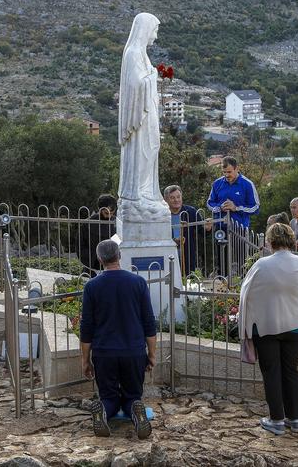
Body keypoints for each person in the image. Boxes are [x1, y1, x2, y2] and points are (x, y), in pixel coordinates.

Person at [238, 223, 298, 435]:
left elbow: (246, 295)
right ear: (292, 239)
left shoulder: (261, 265)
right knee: (291, 371)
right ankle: (295, 419)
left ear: (269, 241)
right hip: (295, 327)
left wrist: (245, 327)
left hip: (266, 327)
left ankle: (276, 419)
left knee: (271, 372)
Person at [80, 240, 156, 439]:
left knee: (109, 397)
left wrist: (85, 360)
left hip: (104, 352)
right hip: (133, 351)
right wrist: (152, 354)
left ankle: (103, 411)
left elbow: (87, 327)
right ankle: (136, 412)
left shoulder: (92, 286)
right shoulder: (138, 283)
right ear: (119, 255)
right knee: (132, 396)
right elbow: (149, 322)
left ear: (99, 259)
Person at [117, 12, 169, 222]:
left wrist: (152, 74)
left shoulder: (141, 54)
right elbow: (135, 85)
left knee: (153, 149)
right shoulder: (132, 54)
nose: (155, 36)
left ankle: (146, 192)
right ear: (145, 29)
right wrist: (154, 75)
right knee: (143, 152)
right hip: (140, 118)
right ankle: (137, 194)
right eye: (154, 30)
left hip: (148, 114)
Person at [163, 185, 211, 276]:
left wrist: (208, 228)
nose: (176, 200)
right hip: (168, 253)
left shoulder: (190, 211)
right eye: (172, 198)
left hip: (187, 252)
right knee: (170, 278)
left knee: (188, 278)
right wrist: (172, 241)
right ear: (166, 199)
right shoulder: (162, 214)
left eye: (178, 197)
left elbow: (202, 231)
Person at [206, 156, 260, 229]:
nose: (226, 175)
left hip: (240, 229)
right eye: (224, 172)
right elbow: (209, 203)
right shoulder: (217, 183)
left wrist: (236, 208)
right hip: (220, 229)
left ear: (237, 169)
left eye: (229, 172)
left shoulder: (247, 184)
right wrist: (220, 208)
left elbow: (255, 207)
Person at [80, 195, 117, 276]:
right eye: (106, 213)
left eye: (112, 212)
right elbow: (81, 246)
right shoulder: (87, 224)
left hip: (112, 266)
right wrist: (95, 259)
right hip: (91, 267)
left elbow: (118, 243)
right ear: (100, 209)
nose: (109, 215)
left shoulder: (116, 223)